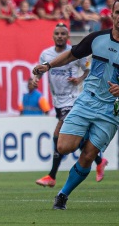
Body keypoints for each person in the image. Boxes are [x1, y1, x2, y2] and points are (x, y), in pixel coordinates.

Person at [32, 0, 119, 210]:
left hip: (110, 110)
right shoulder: (97, 38)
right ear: (111, 15)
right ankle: (87, 138)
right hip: (87, 101)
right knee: (63, 146)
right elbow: (71, 55)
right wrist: (48, 65)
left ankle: (62, 195)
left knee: (88, 156)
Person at [33, 23, 109, 187]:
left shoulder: (75, 53)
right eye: (57, 33)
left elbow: (88, 69)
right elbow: (41, 71)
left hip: (73, 99)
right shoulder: (46, 54)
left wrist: (80, 79)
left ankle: (52, 176)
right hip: (58, 102)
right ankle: (99, 160)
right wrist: (35, 78)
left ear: (67, 37)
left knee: (57, 134)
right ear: (53, 36)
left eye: (62, 34)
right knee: (77, 138)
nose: (60, 36)